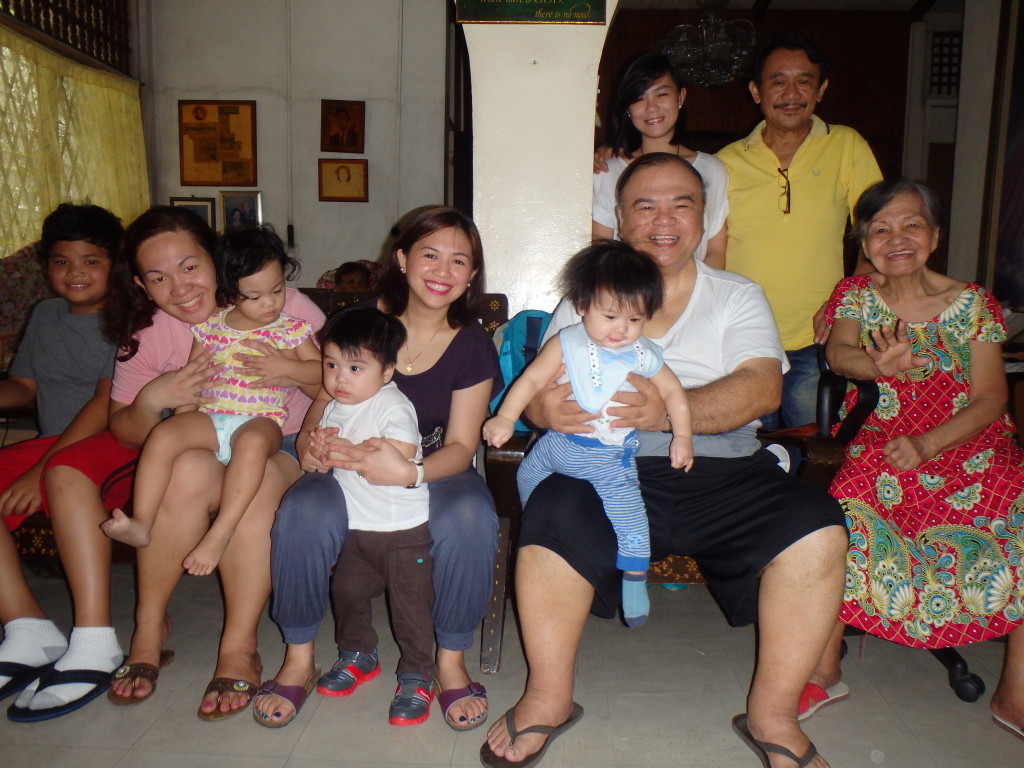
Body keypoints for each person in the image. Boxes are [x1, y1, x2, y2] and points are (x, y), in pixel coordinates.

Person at [481, 153, 847, 768]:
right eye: (644, 205)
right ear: (619, 219)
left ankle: (774, 715)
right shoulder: (586, 300)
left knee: (816, 525)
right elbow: (542, 392)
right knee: (551, 511)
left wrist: (664, 413)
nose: (663, 219)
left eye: (682, 203)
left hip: (723, 469)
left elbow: (761, 389)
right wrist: (549, 416)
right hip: (604, 467)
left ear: (705, 218)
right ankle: (546, 698)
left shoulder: (737, 295)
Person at [9, 206, 324, 722]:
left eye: (189, 267)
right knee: (186, 470)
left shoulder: (278, 305)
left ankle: (238, 645)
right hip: (202, 437)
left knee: (260, 475)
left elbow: (335, 383)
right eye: (158, 277)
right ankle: (148, 628)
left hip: (281, 439)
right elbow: (125, 428)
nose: (179, 288)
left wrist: (301, 409)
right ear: (140, 284)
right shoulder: (151, 331)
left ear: (216, 260)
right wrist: (157, 397)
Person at [255, 205, 501, 732]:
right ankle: (299, 655)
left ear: (472, 275)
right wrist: (310, 447)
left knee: (469, 520)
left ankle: (449, 662)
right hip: (344, 467)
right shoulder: (367, 318)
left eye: (459, 261)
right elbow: (325, 395)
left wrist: (410, 474)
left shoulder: (473, 343)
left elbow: (461, 445)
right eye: (429, 254)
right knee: (301, 513)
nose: (442, 271)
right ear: (402, 258)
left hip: (434, 467)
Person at [802, 178, 1024, 740]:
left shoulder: (973, 302)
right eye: (880, 229)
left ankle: (1015, 692)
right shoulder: (856, 293)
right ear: (865, 240)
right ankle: (826, 667)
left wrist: (930, 444)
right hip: (881, 435)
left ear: (935, 235)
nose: (895, 238)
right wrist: (880, 367)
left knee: (1018, 500)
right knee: (845, 505)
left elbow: (992, 396)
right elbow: (839, 352)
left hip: (968, 442)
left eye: (910, 225)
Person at [483, 240, 693, 627]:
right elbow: (531, 379)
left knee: (632, 523)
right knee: (527, 476)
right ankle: (538, 539)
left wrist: (682, 436)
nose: (621, 330)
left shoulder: (643, 354)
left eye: (635, 320)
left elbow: (673, 392)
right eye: (610, 316)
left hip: (608, 460)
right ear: (582, 306)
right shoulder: (566, 343)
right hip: (556, 445)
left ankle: (634, 581)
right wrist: (505, 417)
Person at [254, 306, 435, 727]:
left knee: (411, 607)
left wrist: (350, 454)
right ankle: (359, 654)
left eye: (356, 367)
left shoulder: (393, 405)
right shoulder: (336, 405)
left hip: (403, 533)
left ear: (387, 371)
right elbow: (325, 443)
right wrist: (317, 447)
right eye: (332, 365)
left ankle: (417, 672)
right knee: (348, 593)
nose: (340, 378)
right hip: (357, 528)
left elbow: (401, 453)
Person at [101, 227, 319, 576]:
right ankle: (141, 522)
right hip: (213, 416)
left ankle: (221, 531)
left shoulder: (289, 327)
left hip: (261, 419)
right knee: (165, 436)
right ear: (230, 292)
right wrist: (181, 419)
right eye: (254, 296)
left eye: (277, 291)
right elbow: (195, 376)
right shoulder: (212, 326)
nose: (270, 304)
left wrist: (289, 368)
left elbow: (323, 375)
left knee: (251, 446)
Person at [715, 35, 882, 429]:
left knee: (813, 450)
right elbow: (710, 249)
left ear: (821, 89)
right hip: (743, 336)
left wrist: (844, 304)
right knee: (753, 454)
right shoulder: (724, 162)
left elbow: (877, 236)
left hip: (818, 336)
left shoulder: (846, 145)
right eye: (778, 81)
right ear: (756, 91)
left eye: (804, 81)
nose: (791, 93)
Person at [0, 204, 122, 712]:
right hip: (51, 443)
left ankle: (95, 641)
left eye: (91, 261)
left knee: (62, 475)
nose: (75, 273)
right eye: (61, 261)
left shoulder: (129, 316)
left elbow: (104, 402)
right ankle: (27, 627)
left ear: (116, 264)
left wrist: (39, 467)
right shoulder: (46, 316)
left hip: (114, 443)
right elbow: (23, 387)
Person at [592, 53, 728, 268]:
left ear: (681, 97)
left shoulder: (711, 169)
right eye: (638, 98)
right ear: (627, 108)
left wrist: (697, 299)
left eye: (662, 94)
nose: (651, 107)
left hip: (693, 295)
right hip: (630, 293)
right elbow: (600, 250)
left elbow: (715, 251)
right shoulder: (607, 171)